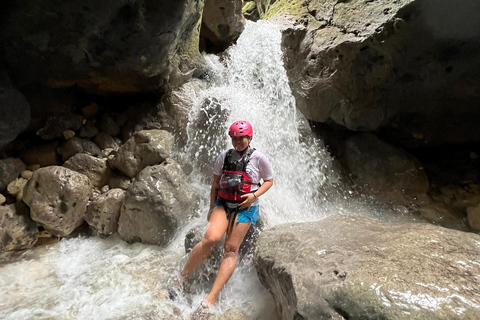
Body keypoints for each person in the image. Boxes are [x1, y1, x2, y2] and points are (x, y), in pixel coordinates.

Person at [170, 120, 274, 317]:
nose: (237, 142)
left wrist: (253, 196)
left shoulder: (259, 158)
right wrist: (211, 207)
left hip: (245, 208)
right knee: (210, 238)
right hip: (223, 204)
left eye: (241, 138)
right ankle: (181, 278)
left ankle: (212, 297)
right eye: (234, 138)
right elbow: (215, 183)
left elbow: (269, 181)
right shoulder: (224, 156)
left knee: (230, 250)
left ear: (249, 138)